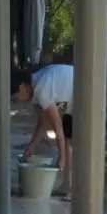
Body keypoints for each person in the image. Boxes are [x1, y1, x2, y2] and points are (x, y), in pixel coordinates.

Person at [12, 63, 74, 197]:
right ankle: (68, 186)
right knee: (68, 141)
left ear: (22, 87)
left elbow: (57, 125)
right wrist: (31, 148)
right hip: (71, 100)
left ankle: (78, 188)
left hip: (84, 95)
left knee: (72, 144)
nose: (18, 101)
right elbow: (43, 123)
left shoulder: (41, 90)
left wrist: (61, 157)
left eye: (16, 97)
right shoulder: (36, 87)